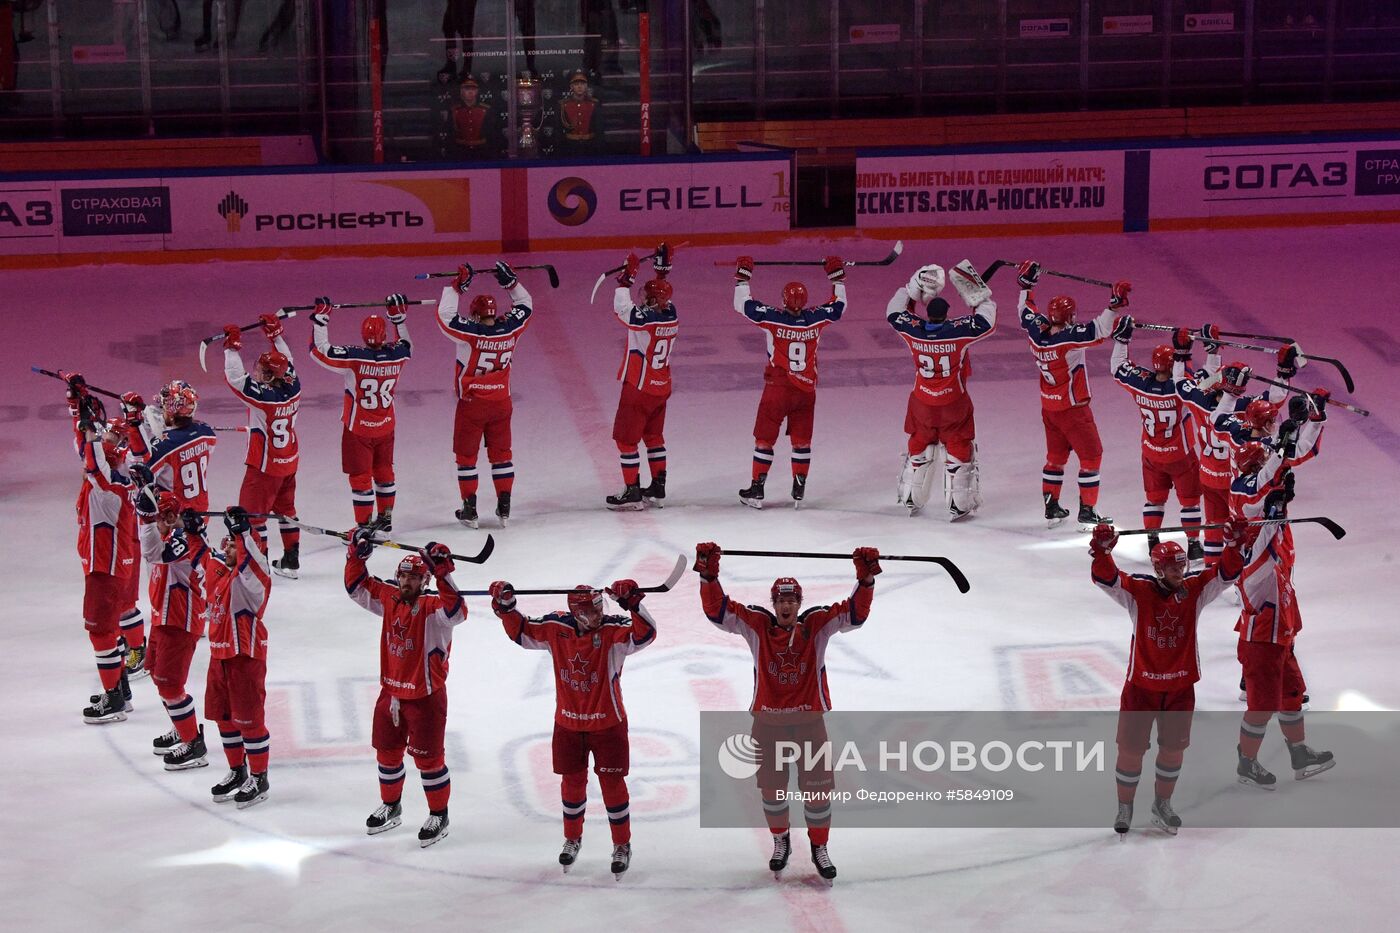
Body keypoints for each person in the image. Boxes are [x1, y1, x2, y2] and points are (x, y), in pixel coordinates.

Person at [695, 542, 880, 883]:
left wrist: (865, 581)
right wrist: (709, 576)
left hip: (809, 723)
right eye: (780, 600)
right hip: (768, 724)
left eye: (792, 600)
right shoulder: (758, 626)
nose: (786, 605)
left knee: (818, 790)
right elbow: (718, 612)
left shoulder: (817, 624)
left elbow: (854, 614)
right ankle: (781, 841)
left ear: (799, 602)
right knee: (772, 789)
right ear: (774, 603)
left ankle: (819, 846)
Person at [489, 578, 657, 877]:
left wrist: (633, 604)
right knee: (572, 784)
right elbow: (522, 631)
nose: (598, 615)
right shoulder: (557, 628)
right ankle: (572, 838)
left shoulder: (613, 630)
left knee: (612, 787)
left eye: (599, 608)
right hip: (567, 723)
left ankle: (622, 844)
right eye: (591, 611)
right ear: (577, 613)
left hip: (608, 724)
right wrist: (506, 606)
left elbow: (646, 634)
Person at [1089, 519, 1244, 836]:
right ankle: (1125, 806)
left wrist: (1233, 546)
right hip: (1141, 690)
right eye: (1173, 567)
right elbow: (1108, 580)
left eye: (1182, 565)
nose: (1180, 571)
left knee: (1173, 750)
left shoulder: (1194, 591)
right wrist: (1102, 552)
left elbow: (1226, 575)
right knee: (1131, 751)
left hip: (1180, 689)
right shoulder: (1139, 593)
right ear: (1158, 569)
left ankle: (1162, 804)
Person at [1229, 413, 1334, 789]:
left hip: (1281, 627)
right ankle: (1247, 763)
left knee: (1291, 693)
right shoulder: (1249, 514)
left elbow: (1279, 478)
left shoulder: (1270, 521)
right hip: (1262, 636)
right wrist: (1276, 472)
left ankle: (1299, 752)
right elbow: (1262, 490)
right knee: (1261, 706)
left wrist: (1303, 430)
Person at [344, 531, 464, 847]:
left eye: (414, 578)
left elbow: (458, 611)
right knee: (387, 755)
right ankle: (391, 805)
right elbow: (356, 588)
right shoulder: (390, 598)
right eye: (404, 576)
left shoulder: (434, 609)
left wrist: (444, 572)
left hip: (426, 698)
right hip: (391, 695)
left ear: (425, 581)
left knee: (429, 762)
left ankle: (439, 814)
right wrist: (356, 556)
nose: (407, 582)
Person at [733, 255, 847, 508]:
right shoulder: (815, 319)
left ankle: (757, 488)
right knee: (802, 441)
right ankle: (799, 489)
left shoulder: (773, 318)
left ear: (784, 300)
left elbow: (742, 304)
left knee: (764, 439)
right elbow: (839, 306)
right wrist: (836, 277)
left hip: (778, 388)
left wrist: (743, 277)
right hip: (806, 390)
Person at [1015, 261, 1124, 527]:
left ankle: (1051, 506)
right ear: (1071, 317)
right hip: (1074, 409)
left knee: (1055, 458)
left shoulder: (1036, 333)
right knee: (1091, 456)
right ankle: (1087, 510)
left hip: (1049, 409)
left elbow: (1024, 312)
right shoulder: (1068, 340)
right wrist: (1114, 306)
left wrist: (1026, 286)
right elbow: (1098, 330)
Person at [886, 260, 996, 519]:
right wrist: (977, 294)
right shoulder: (957, 333)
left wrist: (912, 287)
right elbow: (986, 321)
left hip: (922, 402)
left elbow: (893, 312)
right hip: (953, 404)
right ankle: (958, 502)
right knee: (958, 446)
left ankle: (912, 496)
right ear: (946, 314)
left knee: (920, 443)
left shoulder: (914, 331)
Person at [120, 380, 216, 676]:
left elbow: (140, 464)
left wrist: (134, 424)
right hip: (198, 513)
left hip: (169, 516)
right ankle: (200, 616)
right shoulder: (206, 432)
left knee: (163, 578)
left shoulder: (167, 444)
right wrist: (157, 425)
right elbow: (175, 443)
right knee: (196, 568)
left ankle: (165, 632)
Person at [60, 375, 138, 724]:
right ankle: (120, 688)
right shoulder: (114, 474)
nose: (107, 436)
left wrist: (91, 430)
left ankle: (114, 699)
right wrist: (78, 401)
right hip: (108, 563)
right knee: (111, 627)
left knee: (100, 631)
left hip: (105, 567)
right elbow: (85, 446)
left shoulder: (109, 484)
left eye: (113, 436)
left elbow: (91, 458)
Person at [185, 506, 272, 808]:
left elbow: (252, 565)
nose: (229, 546)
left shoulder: (253, 583)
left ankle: (259, 777)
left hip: (244, 658)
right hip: (218, 657)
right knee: (223, 718)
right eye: (228, 543)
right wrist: (193, 531)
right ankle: (238, 770)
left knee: (249, 720)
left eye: (234, 544)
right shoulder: (220, 572)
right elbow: (199, 558)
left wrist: (243, 532)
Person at [436, 260, 533, 529]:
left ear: (476, 316)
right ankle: (505, 504)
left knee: (467, 458)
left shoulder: (470, 333)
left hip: (472, 404)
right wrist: (511, 283)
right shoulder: (511, 329)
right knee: (502, 455)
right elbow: (526, 305)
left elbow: (445, 317)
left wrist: (456, 287)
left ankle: (470, 509)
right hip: (501, 402)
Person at [310, 294, 413, 532]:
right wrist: (398, 319)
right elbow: (407, 345)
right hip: (386, 425)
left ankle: (364, 526)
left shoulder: (355, 358)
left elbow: (319, 351)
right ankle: (385, 519)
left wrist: (321, 320)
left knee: (360, 477)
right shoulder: (398, 355)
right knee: (384, 471)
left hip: (359, 428)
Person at [1108, 318, 1203, 558]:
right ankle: (1193, 545)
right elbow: (1194, 379)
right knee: (1189, 502)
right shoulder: (1180, 390)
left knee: (1154, 500)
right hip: (1180, 455)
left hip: (1151, 454)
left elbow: (1117, 367)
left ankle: (1152, 540)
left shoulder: (1141, 384)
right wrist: (1188, 353)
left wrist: (1122, 339)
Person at [135, 483, 209, 770]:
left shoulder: (181, 539)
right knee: (158, 674)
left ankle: (194, 744)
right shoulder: (172, 530)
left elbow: (153, 553)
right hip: (163, 618)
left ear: (166, 519)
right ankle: (182, 725)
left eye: (154, 519)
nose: (149, 524)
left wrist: (146, 519)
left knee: (170, 684)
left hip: (179, 622)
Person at [224, 314, 303, 578]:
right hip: (289, 461)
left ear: (269, 377)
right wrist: (276, 335)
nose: (257, 372)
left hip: (264, 466)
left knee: (253, 516)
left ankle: (261, 564)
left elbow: (237, 379)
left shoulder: (263, 398)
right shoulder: (293, 386)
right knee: (286, 510)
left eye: (262, 371)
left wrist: (232, 348)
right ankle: (292, 561)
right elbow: (288, 362)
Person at [607, 243, 677, 510]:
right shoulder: (672, 313)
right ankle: (658, 488)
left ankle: (632, 490)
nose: (643, 299)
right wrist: (662, 273)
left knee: (626, 440)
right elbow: (659, 298)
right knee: (654, 437)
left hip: (638, 387)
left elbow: (622, 310)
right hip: (661, 388)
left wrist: (626, 279)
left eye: (646, 297)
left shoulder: (644, 320)